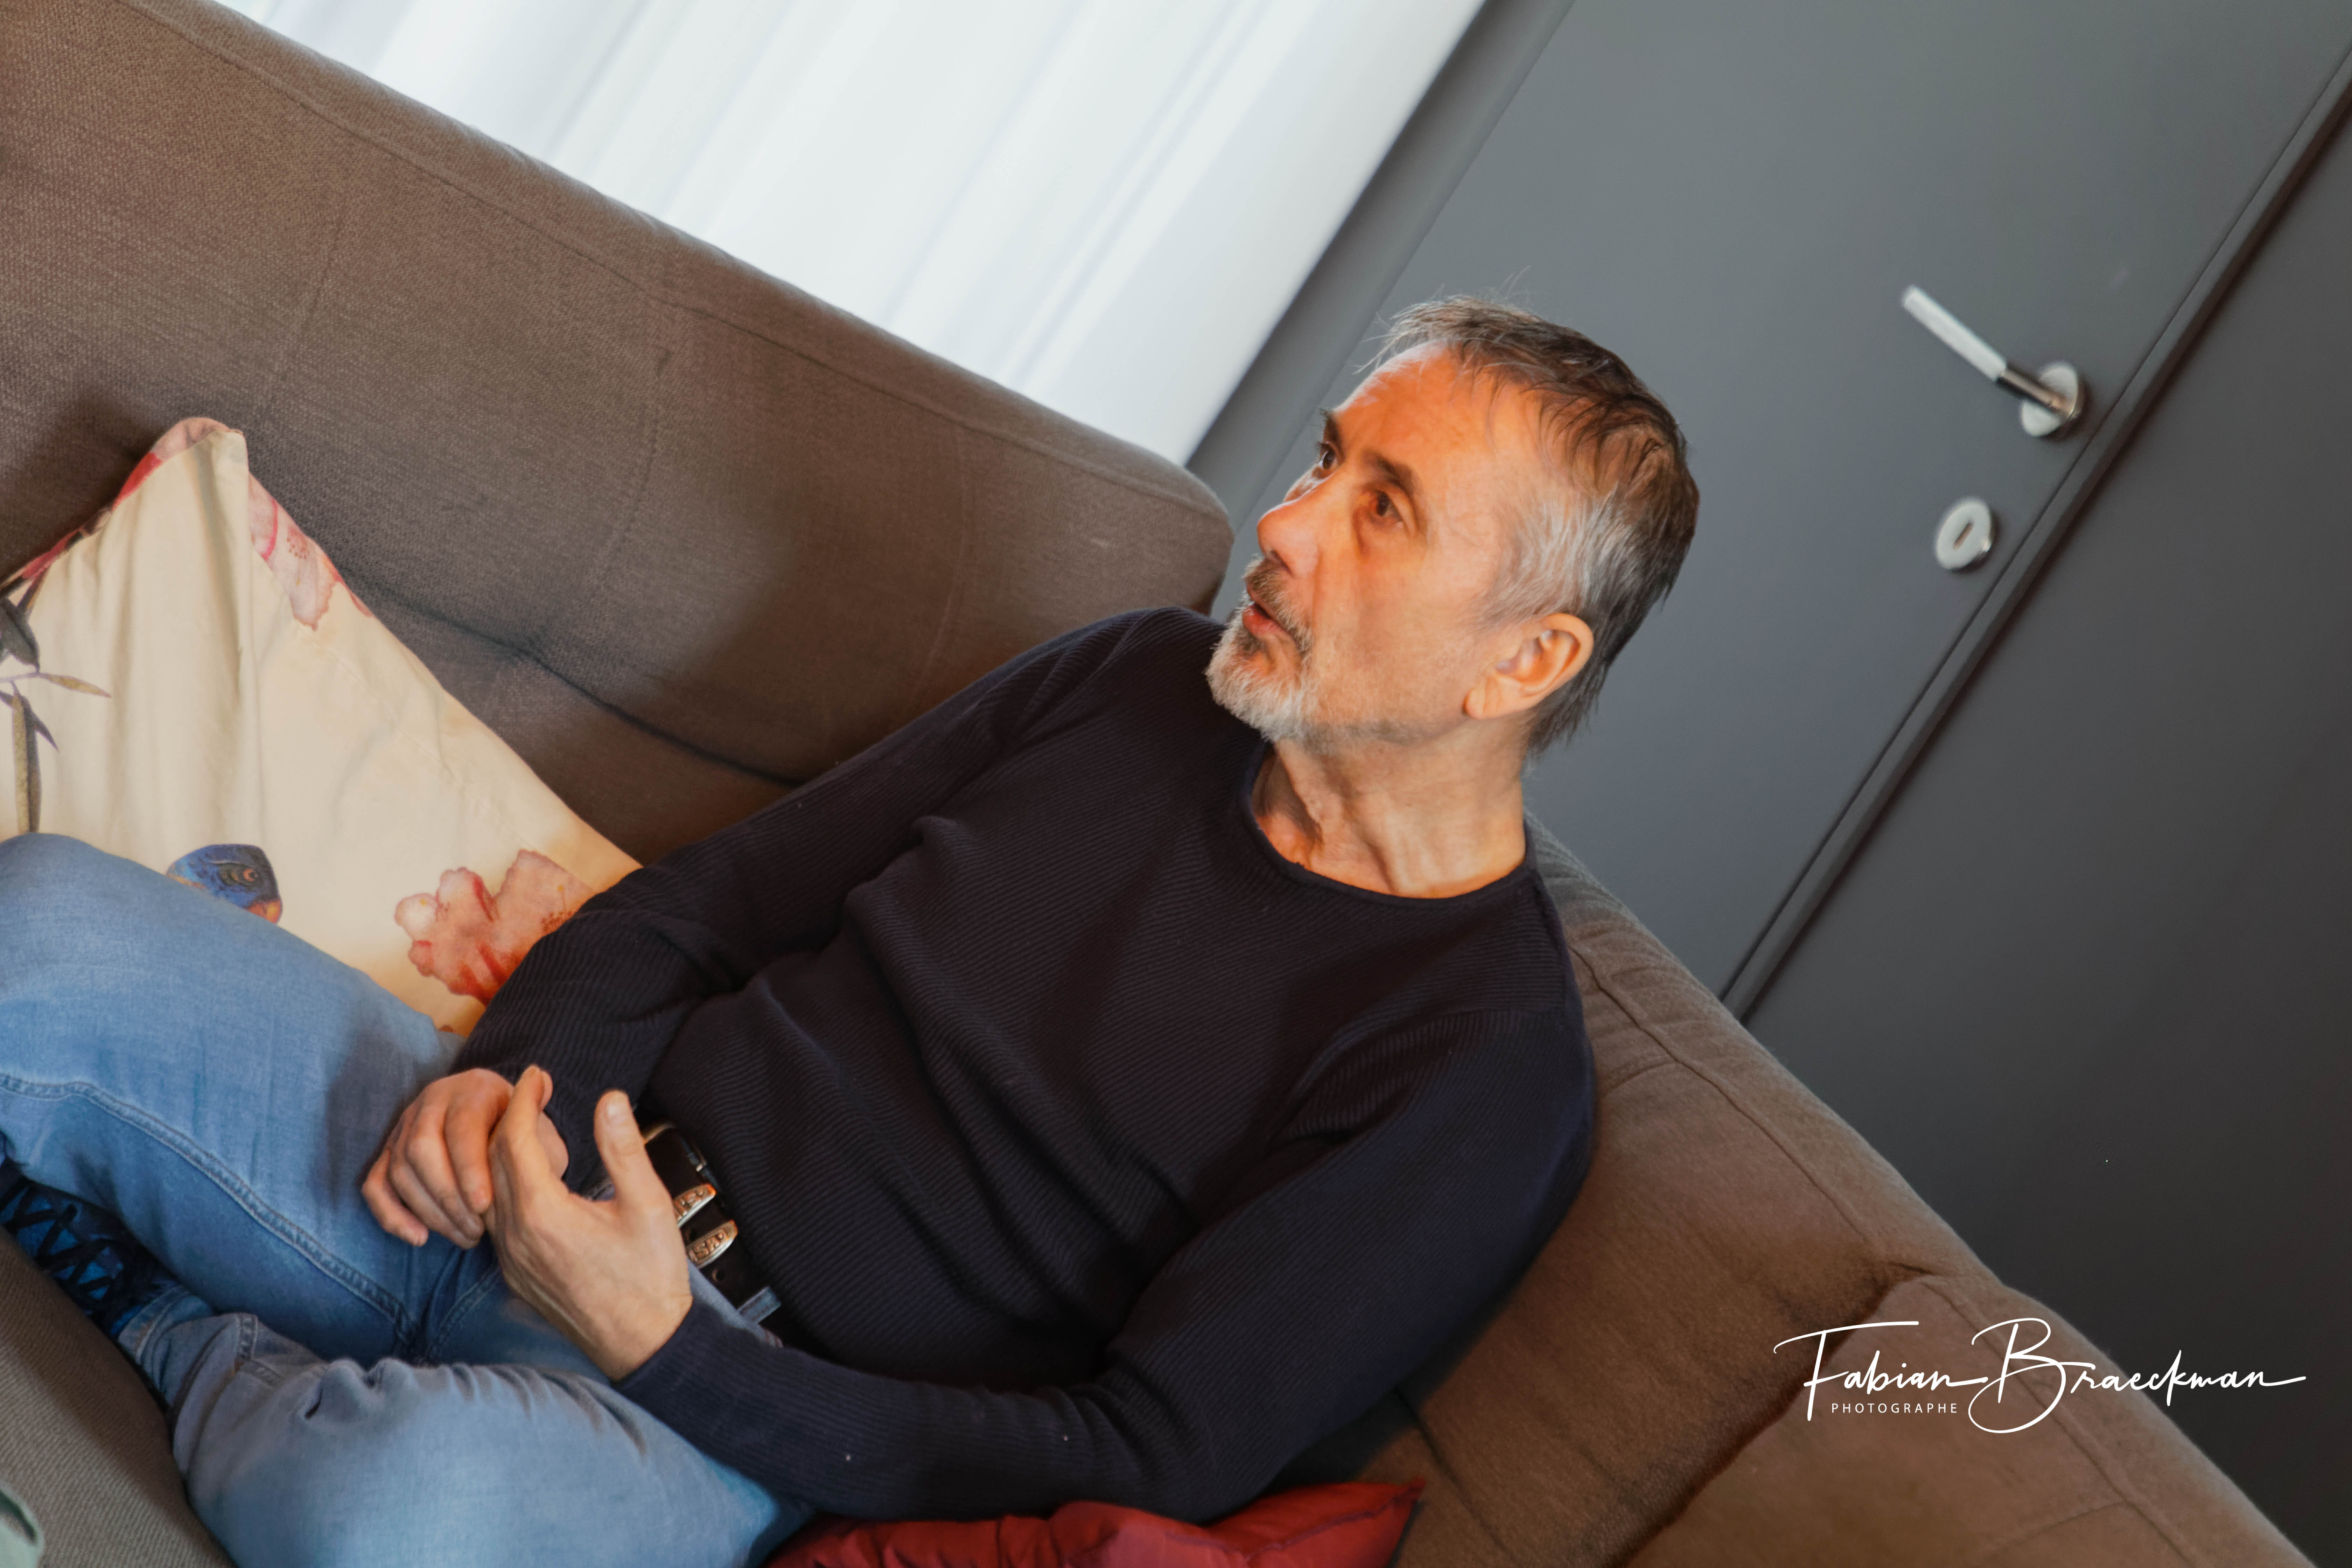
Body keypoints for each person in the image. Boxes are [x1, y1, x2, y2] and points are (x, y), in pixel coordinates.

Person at [0, 299, 1697, 1568]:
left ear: (1527, 660)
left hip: (728, 1427)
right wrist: (512, 1080)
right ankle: (256, 1296)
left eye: (1384, 507)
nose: (1287, 521)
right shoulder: (1132, 680)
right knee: (40, 926)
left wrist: (671, 1349)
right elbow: (708, 905)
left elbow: (1144, 1449)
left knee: (387, 1514)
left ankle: (171, 1320)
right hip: (529, 1166)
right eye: (1326, 458)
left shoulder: (1480, 1072)